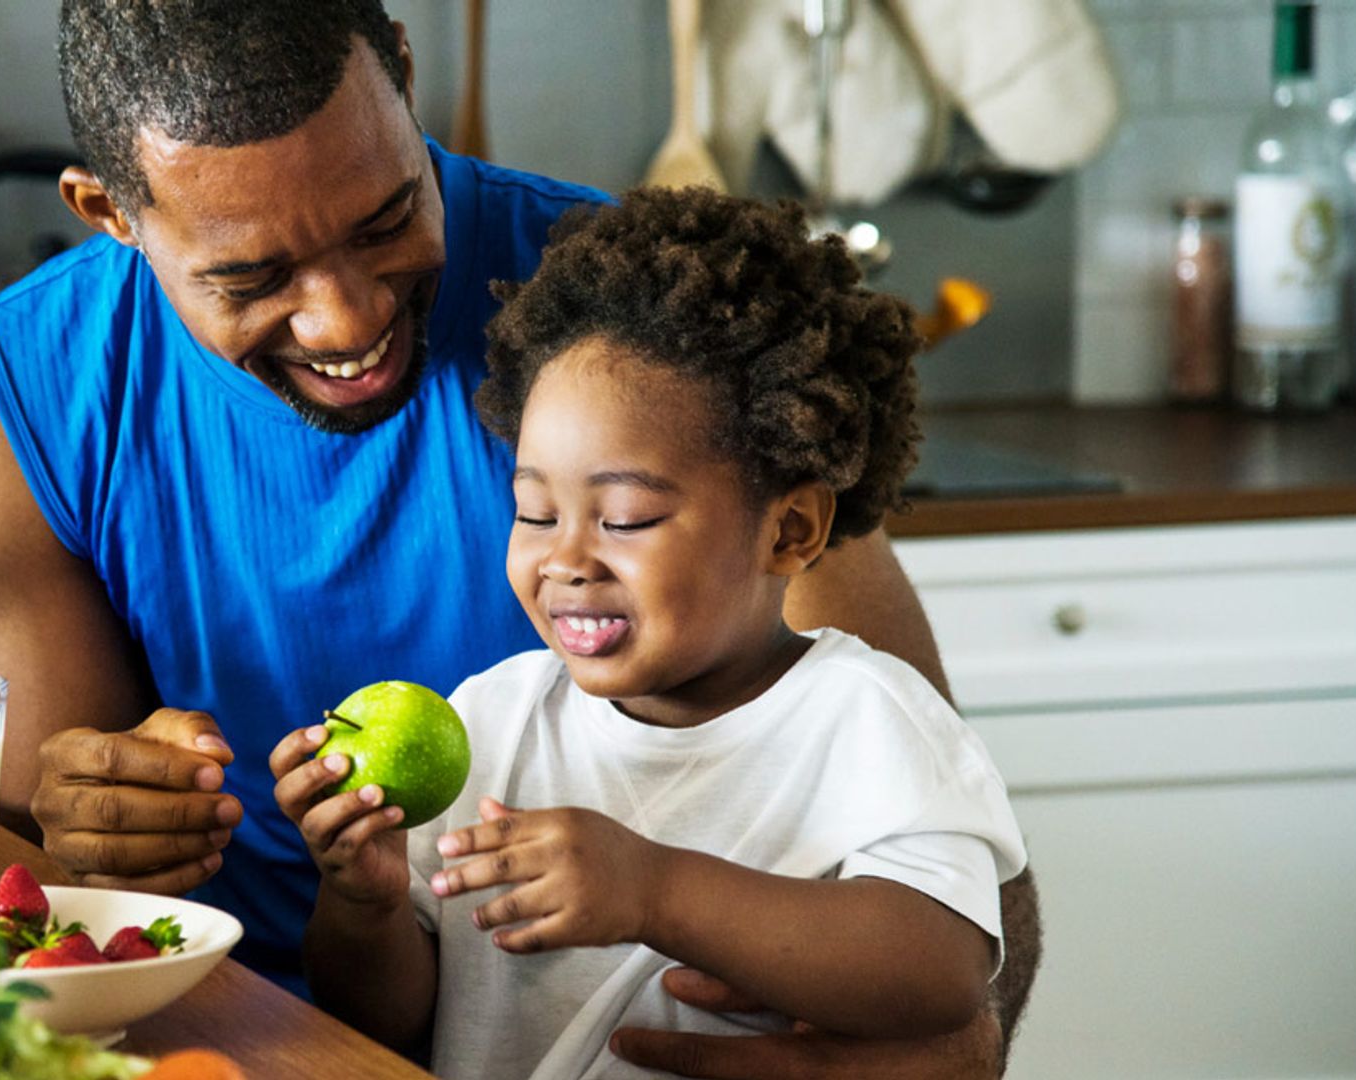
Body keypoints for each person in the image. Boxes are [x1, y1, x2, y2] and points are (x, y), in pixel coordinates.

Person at [0, 1, 1042, 1074]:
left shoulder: (648, 335)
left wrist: (952, 1051)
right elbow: (43, 885)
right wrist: (109, 821)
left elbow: (953, 881)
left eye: (385, 219)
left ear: (403, 75)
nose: (347, 321)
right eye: (251, 276)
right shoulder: (8, 397)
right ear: (108, 212)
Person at [269, 188, 1029, 1079]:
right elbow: (394, 1021)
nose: (566, 560)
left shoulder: (865, 718)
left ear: (789, 531)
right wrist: (362, 904)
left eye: (624, 519)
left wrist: (655, 891)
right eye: (533, 512)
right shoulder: (493, 721)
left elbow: (939, 972)